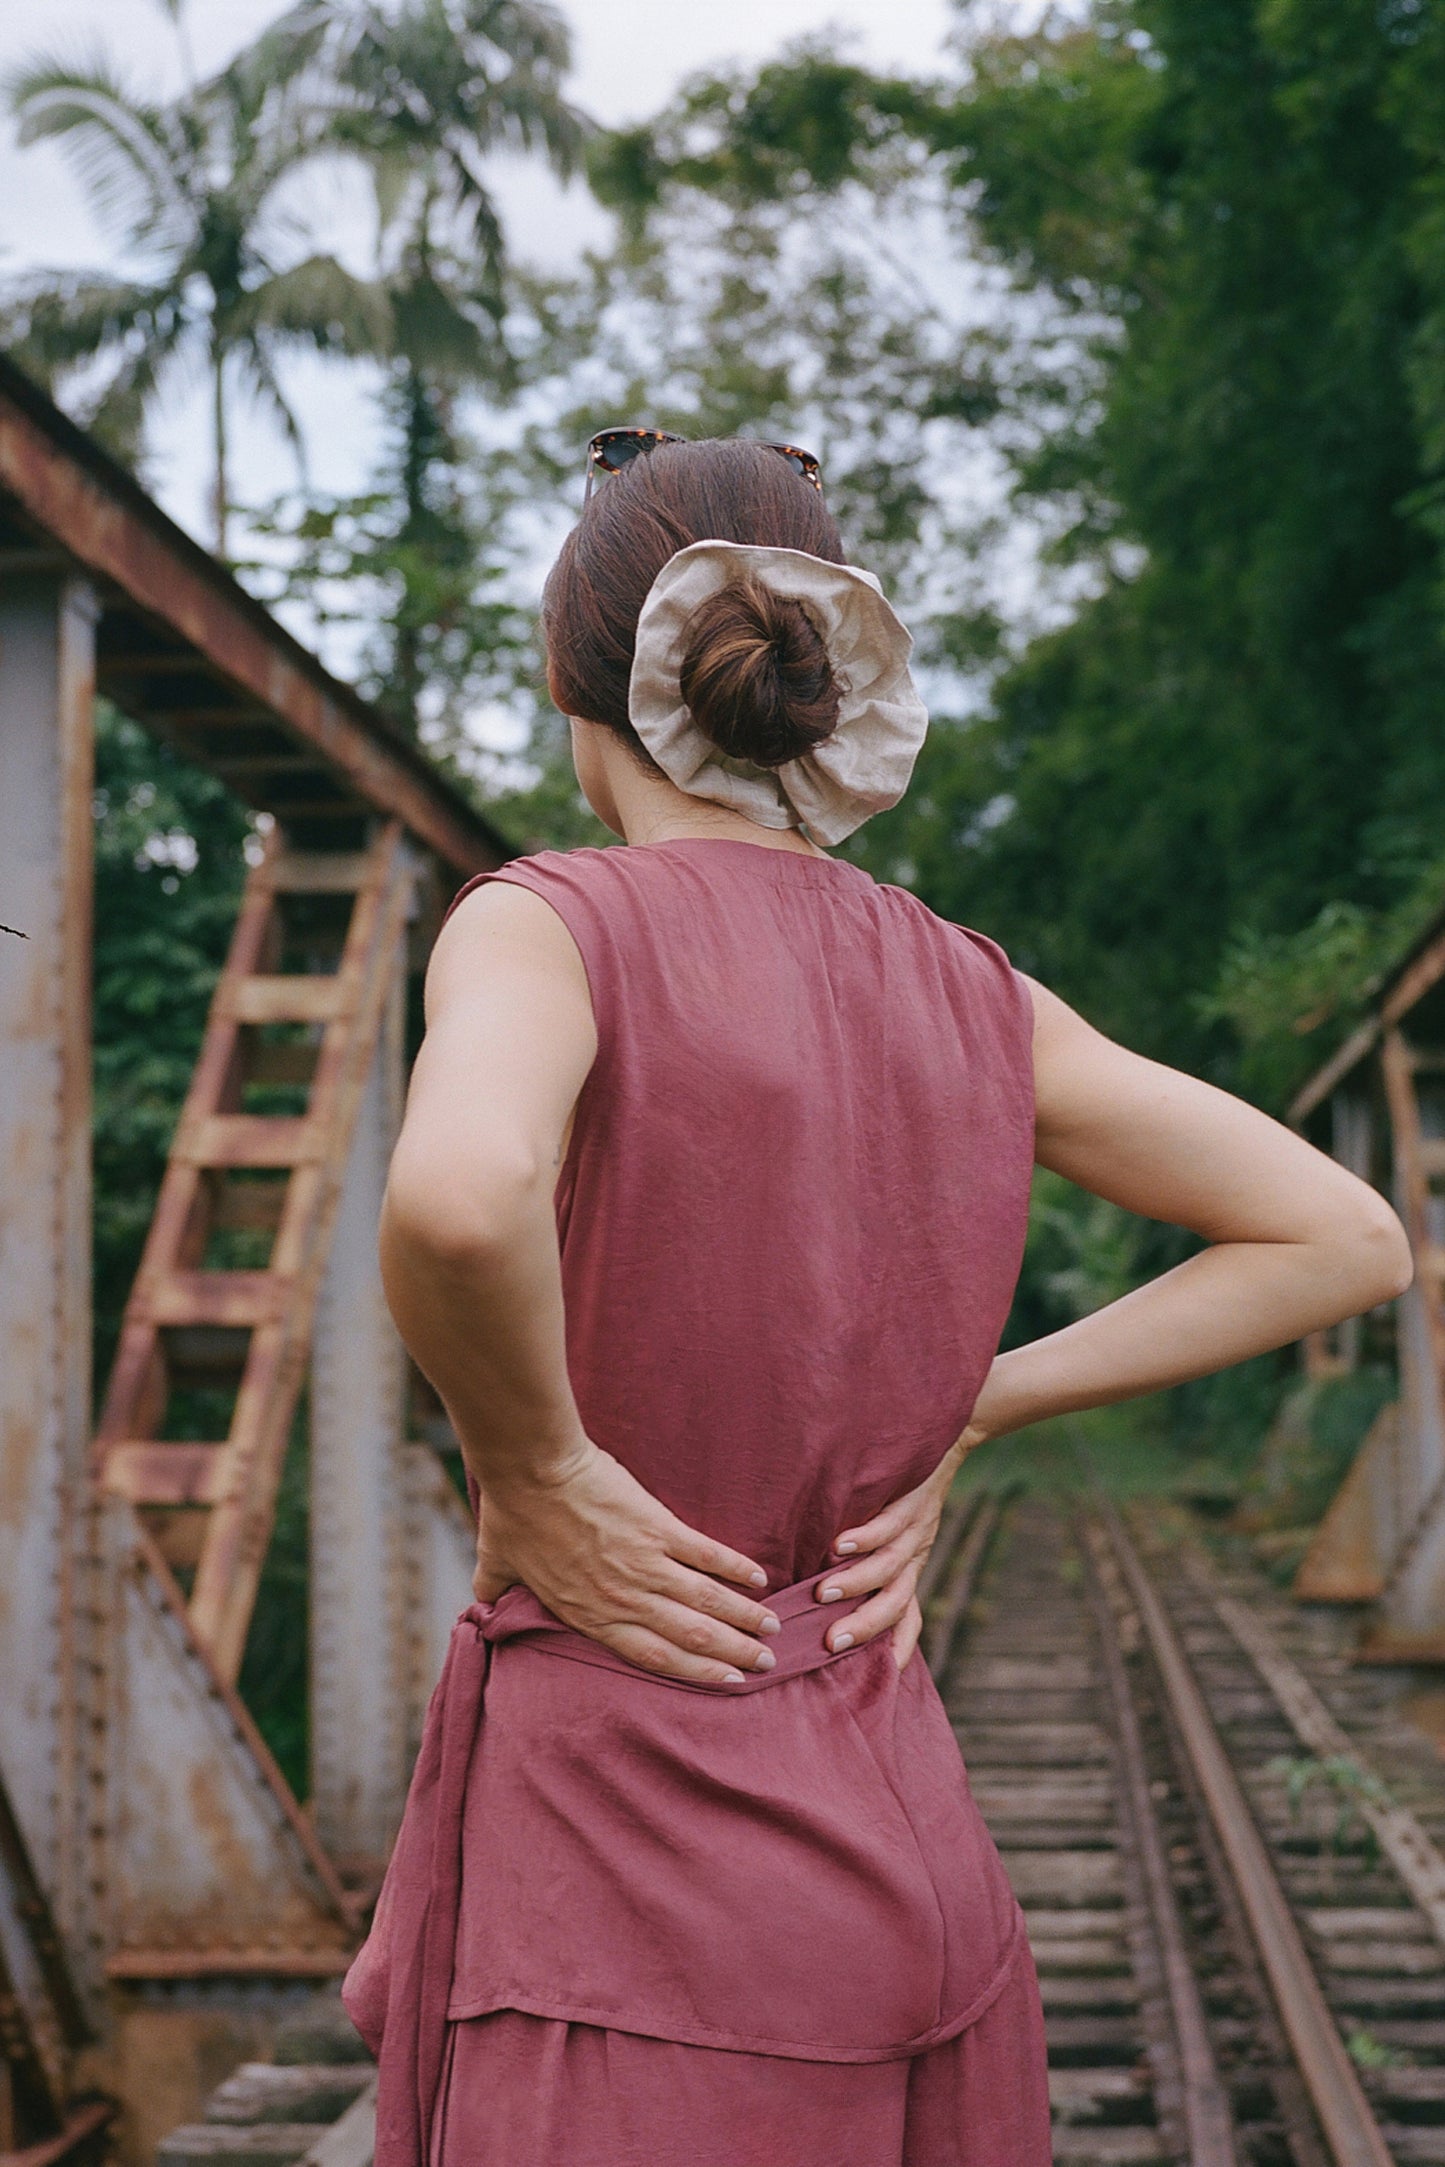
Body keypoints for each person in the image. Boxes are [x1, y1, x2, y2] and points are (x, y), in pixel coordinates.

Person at [343, 432, 1412, 2167]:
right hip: (907, 1863)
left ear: (576, 688)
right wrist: (969, 1400)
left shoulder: (545, 928)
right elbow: (1341, 1233)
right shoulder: (973, 988)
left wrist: (533, 1465)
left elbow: (463, 1203)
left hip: (631, 1890)